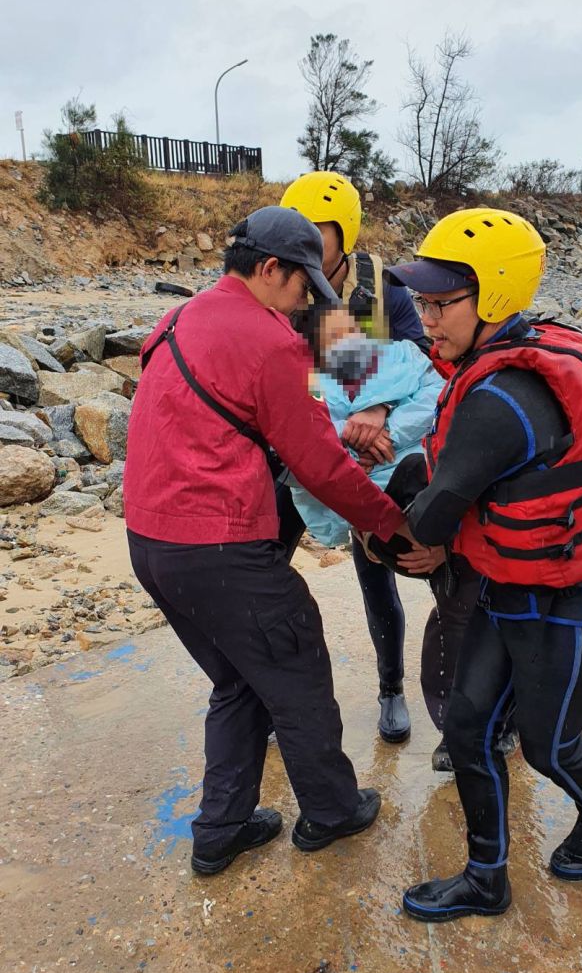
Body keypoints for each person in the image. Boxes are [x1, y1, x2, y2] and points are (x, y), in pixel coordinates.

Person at [383, 207, 582, 922]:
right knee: (470, 729)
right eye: (420, 301)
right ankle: (486, 878)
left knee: (547, 746)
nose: (426, 318)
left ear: (498, 296)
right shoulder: (492, 364)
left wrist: (370, 514)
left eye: (444, 302)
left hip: (579, 612)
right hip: (508, 594)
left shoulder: (503, 396)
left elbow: (428, 522)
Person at [123, 206, 415, 877]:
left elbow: (207, 418)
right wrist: (392, 523)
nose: (306, 302)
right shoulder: (271, 339)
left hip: (150, 543)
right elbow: (320, 470)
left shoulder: (176, 320)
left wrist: (317, 429)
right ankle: (333, 811)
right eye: (300, 285)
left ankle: (220, 829)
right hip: (220, 548)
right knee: (296, 662)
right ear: (269, 268)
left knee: (240, 679)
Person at [279, 172, 479, 752]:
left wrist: (382, 413)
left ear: (344, 234)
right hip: (308, 448)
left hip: (383, 455)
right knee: (267, 568)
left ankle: (393, 689)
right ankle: (267, 695)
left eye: (315, 235)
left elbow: (428, 360)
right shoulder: (284, 289)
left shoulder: (382, 290)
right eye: (295, 236)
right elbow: (278, 375)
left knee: (384, 572)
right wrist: (335, 428)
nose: (303, 248)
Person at [288, 305, 473, 733]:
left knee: (454, 601)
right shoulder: (308, 383)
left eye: (352, 332)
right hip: (363, 511)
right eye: (333, 339)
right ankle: (391, 688)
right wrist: (354, 450)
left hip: (427, 502)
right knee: (379, 596)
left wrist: (384, 420)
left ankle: (465, 715)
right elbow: (306, 443)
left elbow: (439, 399)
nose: (348, 345)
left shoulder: (404, 355)